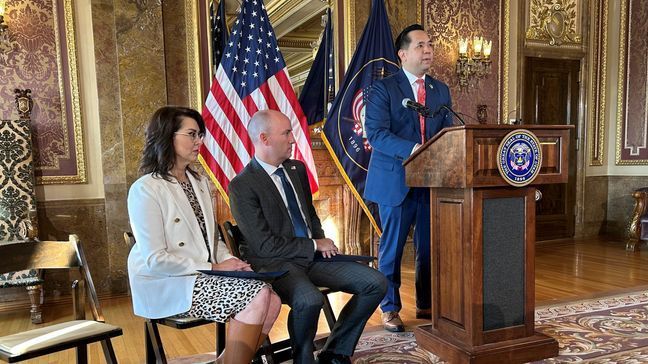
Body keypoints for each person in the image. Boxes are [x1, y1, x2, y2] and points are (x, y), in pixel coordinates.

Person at [228, 109, 387, 364]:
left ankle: (335, 351)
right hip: (276, 265)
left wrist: (321, 241)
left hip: (313, 259)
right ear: (264, 138)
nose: (293, 139)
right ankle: (302, 357)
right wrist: (314, 243)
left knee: (376, 282)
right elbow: (264, 246)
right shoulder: (242, 185)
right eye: (287, 133)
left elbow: (309, 213)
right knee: (309, 300)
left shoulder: (296, 169)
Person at [127, 106, 282, 364]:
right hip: (164, 282)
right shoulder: (146, 189)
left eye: (200, 134)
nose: (199, 141)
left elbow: (212, 240)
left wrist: (232, 263)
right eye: (192, 134)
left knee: (272, 299)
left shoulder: (199, 182)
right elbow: (156, 259)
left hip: (201, 274)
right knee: (257, 298)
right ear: (168, 136)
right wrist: (214, 267)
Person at [364, 24, 454, 332]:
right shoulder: (383, 89)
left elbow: (447, 133)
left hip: (430, 182)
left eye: (430, 44)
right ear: (403, 54)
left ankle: (427, 302)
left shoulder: (440, 90)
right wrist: (415, 148)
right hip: (395, 182)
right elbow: (376, 135)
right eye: (420, 45)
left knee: (429, 247)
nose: (428, 49)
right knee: (392, 249)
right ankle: (389, 307)